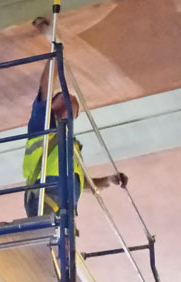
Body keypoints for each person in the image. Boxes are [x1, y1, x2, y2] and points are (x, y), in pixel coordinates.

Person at [23, 18, 128, 217]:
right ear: (52, 107)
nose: (67, 96)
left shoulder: (55, 137)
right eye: (62, 97)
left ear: (76, 114)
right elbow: (80, 182)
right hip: (55, 200)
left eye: (71, 101)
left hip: (45, 198)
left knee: (51, 238)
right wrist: (107, 181)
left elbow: (76, 181)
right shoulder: (44, 123)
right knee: (57, 240)